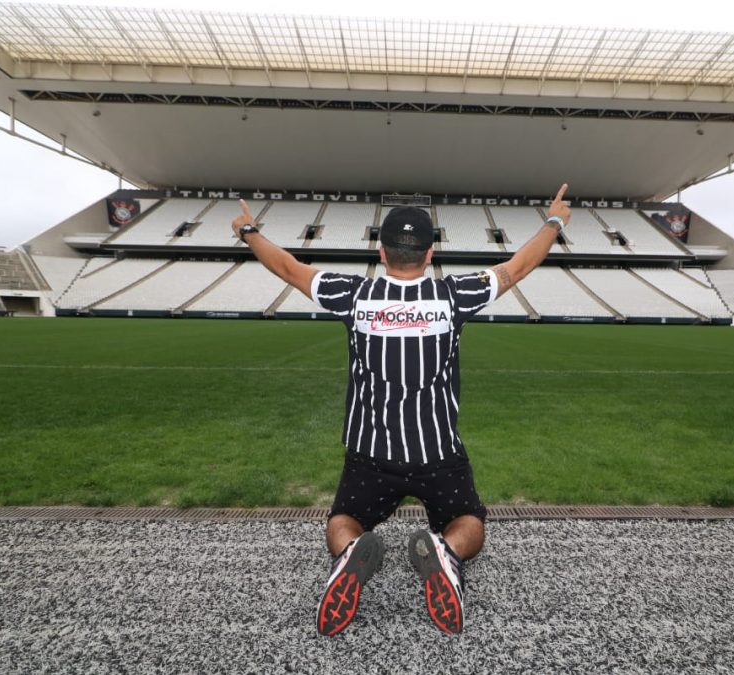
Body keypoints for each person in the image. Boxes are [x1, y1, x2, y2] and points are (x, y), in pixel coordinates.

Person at [231, 184, 571, 635]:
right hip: (437, 454)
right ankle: (446, 553)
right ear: (429, 254)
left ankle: (353, 551)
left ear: (381, 251)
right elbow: (517, 268)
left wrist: (249, 230)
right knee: (470, 522)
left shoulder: (355, 296)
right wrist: (554, 221)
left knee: (342, 521)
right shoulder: (453, 298)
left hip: (370, 452)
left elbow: (289, 268)